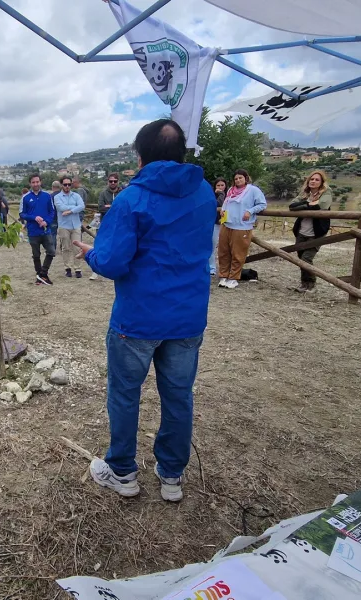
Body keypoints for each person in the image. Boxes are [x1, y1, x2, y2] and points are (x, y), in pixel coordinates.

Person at [72, 118, 215, 501]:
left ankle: (122, 472)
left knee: (124, 393)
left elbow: (113, 262)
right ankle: (171, 475)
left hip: (137, 319)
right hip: (187, 316)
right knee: (179, 395)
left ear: (140, 156)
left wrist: (91, 255)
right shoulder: (203, 192)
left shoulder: (131, 199)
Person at [217, 169, 267, 290]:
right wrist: (223, 209)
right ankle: (223, 275)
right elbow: (226, 202)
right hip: (227, 224)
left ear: (246, 178)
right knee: (223, 251)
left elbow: (262, 204)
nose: (238, 180)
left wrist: (250, 211)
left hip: (242, 226)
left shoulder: (253, 190)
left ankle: (233, 277)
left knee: (238, 253)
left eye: (240, 178)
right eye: (236, 178)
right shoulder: (230, 190)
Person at [289, 170, 333, 293]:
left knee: (306, 259)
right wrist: (308, 203)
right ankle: (304, 284)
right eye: (311, 179)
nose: (313, 181)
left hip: (317, 233)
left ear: (322, 182)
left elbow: (322, 205)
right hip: (301, 232)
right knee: (300, 259)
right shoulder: (305, 193)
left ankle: (311, 284)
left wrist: (303, 206)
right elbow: (292, 206)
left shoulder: (326, 193)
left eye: (317, 179)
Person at [19, 174, 56, 286]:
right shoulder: (25, 198)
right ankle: (39, 276)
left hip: (45, 230)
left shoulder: (47, 196)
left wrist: (47, 221)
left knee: (51, 251)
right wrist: (34, 217)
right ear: (30, 184)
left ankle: (43, 274)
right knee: (36, 255)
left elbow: (52, 212)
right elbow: (22, 214)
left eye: (37, 182)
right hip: (33, 231)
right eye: (33, 182)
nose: (35, 184)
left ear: (40, 182)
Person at [54, 176, 86, 278]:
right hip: (64, 225)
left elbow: (82, 206)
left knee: (77, 248)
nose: (67, 186)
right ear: (61, 185)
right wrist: (74, 208)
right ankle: (67, 268)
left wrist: (70, 211)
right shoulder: (57, 197)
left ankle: (78, 269)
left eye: (69, 184)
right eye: (65, 184)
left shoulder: (76, 195)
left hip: (76, 225)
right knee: (66, 247)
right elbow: (60, 207)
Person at [210, 178, 228, 277]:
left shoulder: (231, 195)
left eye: (222, 185)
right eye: (218, 185)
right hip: (215, 223)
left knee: (225, 248)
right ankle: (212, 268)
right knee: (212, 245)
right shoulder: (213, 196)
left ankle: (226, 269)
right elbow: (218, 204)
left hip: (227, 224)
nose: (220, 187)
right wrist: (221, 194)